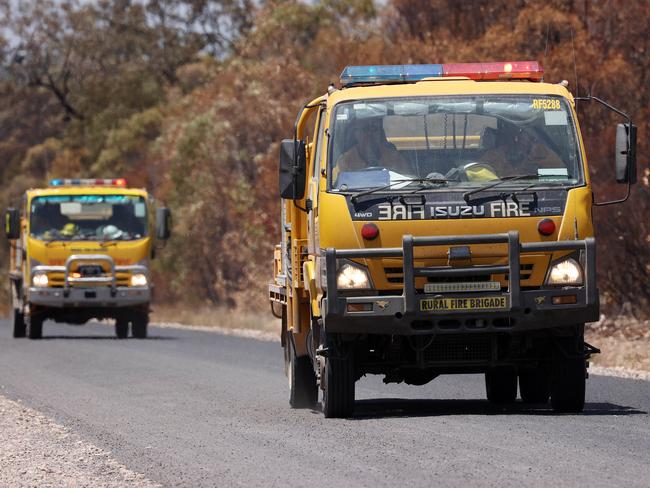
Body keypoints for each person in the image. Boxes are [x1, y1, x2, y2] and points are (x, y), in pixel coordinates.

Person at [335, 117, 412, 178]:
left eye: (374, 129)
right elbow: (336, 187)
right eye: (365, 129)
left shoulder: (395, 158)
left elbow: (409, 182)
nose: (370, 134)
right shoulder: (345, 161)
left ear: (380, 133)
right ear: (356, 134)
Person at [479, 124, 564, 177]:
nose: (517, 137)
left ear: (534, 138)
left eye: (523, 133)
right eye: (516, 133)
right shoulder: (494, 155)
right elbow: (479, 176)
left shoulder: (547, 157)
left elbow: (560, 180)